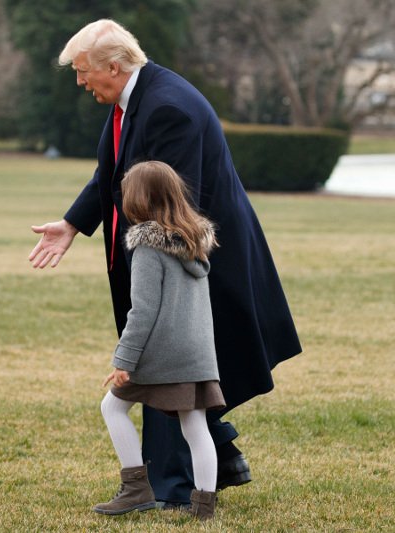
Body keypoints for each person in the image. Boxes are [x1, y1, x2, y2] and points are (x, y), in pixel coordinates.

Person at [29, 19, 302, 507]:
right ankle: (215, 460)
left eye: (84, 71)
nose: (79, 81)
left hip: (198, 261)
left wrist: (151, 285)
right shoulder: (135, 100)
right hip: (178, 254)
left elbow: (173, 207)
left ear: (114, 66)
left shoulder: (167, 109)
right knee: (181, 374)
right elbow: (111, 174)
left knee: (165, 364)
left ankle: (168, 488)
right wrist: (72, 224)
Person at [94, 161, 223, 521]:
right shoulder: (194, 243)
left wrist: (124, 360)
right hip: (197, 353)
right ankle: (204, 507)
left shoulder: (149, 249)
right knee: (195, 426)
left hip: (163, 352)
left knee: (112, 407)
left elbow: (143, 312)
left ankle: (136, 489)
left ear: (138, 199)